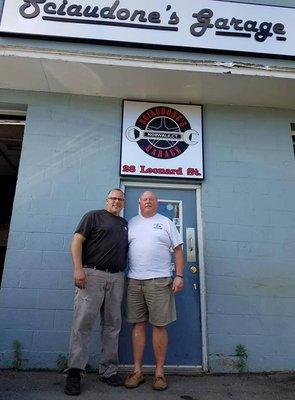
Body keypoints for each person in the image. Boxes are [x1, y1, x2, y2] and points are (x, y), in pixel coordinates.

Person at [64, 188, 128, 396]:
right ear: (106, 200)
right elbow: (76, 242)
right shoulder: (93, 216)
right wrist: (78, 268)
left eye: (120, 199)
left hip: (117, 278)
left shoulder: (124, 224)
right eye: (113, 198)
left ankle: (108, 371)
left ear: (123, 203)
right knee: (82, 324)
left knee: (112, 325)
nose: (116, 201)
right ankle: (75, 372)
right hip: (92, 275)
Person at [124, 190, 185, 391]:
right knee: (138, 325)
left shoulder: (166, 222)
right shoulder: (130, 223)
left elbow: (178, 250)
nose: (148, 202)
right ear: (139, 203)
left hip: (160, 282)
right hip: (134, 281)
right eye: (145, 199)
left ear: (157, 203)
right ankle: (137, 371)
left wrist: (179, 275)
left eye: (151, 199)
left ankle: (159, 374)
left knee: (159, 325)